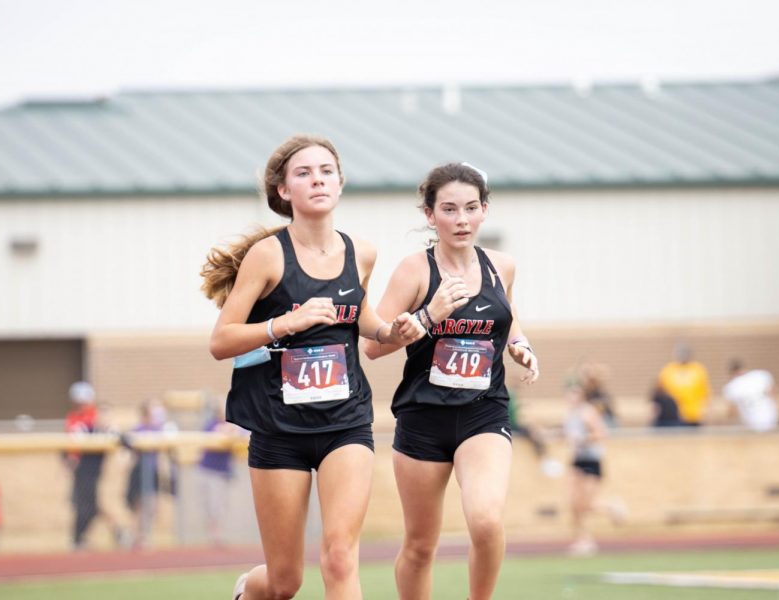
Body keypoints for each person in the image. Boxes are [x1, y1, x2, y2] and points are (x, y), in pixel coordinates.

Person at [201, 134, 424, 600]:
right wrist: (286, 322)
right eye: (303, 173)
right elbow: (221, 341)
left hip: (346, 421)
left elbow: (358, 316)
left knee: (340, 556)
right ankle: (249, 590)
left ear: (340, 183)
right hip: (278, 428)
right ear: (284, 192)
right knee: (285, 582)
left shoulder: (361, 252)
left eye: (326, 171)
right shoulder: (268, 256)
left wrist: (389, 333)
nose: (317, 179)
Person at [361, 162, 539, 600]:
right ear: (430, 215)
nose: (461, 219)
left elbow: (507, 314)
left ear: (484, 211)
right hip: (424, 417)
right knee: (421, 546)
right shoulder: (414, 271)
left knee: (485, 520)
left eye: (471, 208)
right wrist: (428, 315)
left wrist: (520, 344)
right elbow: (374, 345)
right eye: (449, 209)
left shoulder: (502, 266)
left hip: (484, 411)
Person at [562, 384, 625, 556]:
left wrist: (583, 439)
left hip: (591, 460)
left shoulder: (586, 412)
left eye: (574, 394)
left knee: (586, 504)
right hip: (577, 460)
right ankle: (582, 540)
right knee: (574, 503)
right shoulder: (570, 414)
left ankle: (611, 507)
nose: (570, 397)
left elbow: (601, 433)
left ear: (580, 395)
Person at [63, 381, 124, 550]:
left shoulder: (94, 419)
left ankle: (80, 538)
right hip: (81, 469)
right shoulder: (76, 420)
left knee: (88, 504)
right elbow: (71, 445)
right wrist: (68, 463)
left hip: (92, 468)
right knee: (83, 503)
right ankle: (111, 532)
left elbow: (117, 435)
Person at [123, 398, 175, 549]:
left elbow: (164, 454)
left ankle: (144, 536)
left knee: (151, 506)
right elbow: (126, 453)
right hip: (138, 471)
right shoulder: (137, 430)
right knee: (137, 506)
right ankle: (136, 537)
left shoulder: (160, 430)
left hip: (152, 472)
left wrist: (165, 472)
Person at [197, 404, 246, 546]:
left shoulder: (234, 424)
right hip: (209, 470)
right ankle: (213, 536)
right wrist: (228, 430)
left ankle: (217, 536)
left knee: (220, 505)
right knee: (212, 505)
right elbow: (214, 435)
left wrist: (232, 429)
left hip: (222, 472)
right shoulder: (211, 424)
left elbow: (244, 432)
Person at [658, 343, 712, 426]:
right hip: (674, 416)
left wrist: (707, 410)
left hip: (694, 414)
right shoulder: (668, 370)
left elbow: (706, 392)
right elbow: (661, 392)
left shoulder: (698, 369)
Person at [721, 359, 779, 432]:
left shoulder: (731, 387)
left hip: (751, 425)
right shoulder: (761, 375)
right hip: (772, 420)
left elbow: (732, 411)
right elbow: (774, 392)